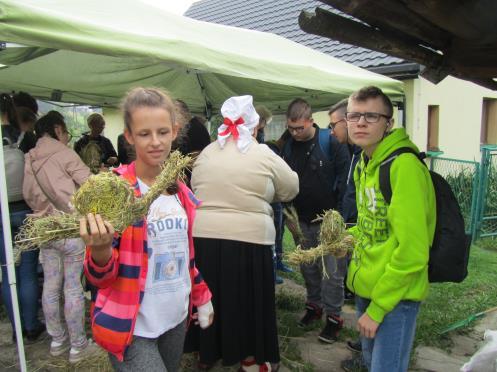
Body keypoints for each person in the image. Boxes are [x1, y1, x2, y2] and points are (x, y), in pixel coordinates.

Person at [80, 87, 213, 371]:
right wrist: (100, 248)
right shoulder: (114, 191)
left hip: (175, 318)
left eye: (163, 132)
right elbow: (99, 278)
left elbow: (184, 257)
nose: (155, 142)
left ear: (175, 131)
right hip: (132, 326)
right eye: (144, 134)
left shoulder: (180, 192)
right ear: (128, 136)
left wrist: (202, 296)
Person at [185, 95, 298, 371]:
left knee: (210, 298)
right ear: (255, 126)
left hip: (204, 239)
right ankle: (250, 358)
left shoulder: (207, 153)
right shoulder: (262, 154)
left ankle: (207, 353)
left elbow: (195, 186)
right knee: (247, 303)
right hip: (250, 240)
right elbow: (291, 187)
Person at [342, 86, 436, 372]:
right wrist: (349, 237)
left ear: (388, 123)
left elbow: (413, 251)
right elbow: (372, 225)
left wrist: (379, 308)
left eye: (371, 116)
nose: (360, 123)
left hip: (396, 296)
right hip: (368, 286)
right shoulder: (364, 162)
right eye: (354, 115)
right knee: (373, 363)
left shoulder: (403, 167)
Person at [23, 111, 95, 362]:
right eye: (65, 132)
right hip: (69, 227)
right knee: (73, 286)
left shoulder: (30, 157)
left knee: (51, 287)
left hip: (45, 228)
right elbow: (89, 184)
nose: (66, 137)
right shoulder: (64, 153)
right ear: (57, 129)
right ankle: (78, 346)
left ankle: (57, 341)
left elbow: (29, 195)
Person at [281, 98, 350, 344]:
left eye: (300, 128)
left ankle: (334, 318)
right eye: (291, 128)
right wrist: (289, 214)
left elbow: (345, 182)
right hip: (302, 220)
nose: (295, 133)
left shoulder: (330, 142)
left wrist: (339, 219)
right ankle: (314, 306)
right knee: (308, 267)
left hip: (329, 222)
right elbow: (284, 182)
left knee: (332, 273)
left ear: (311, 121)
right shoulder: (289, 146)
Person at [0, 93, 46, 343]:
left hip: (1, 209)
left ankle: (17, 327)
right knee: (28, 270)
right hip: (25, 209)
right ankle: (30, 325)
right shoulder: (26, 137)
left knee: (8, 272)